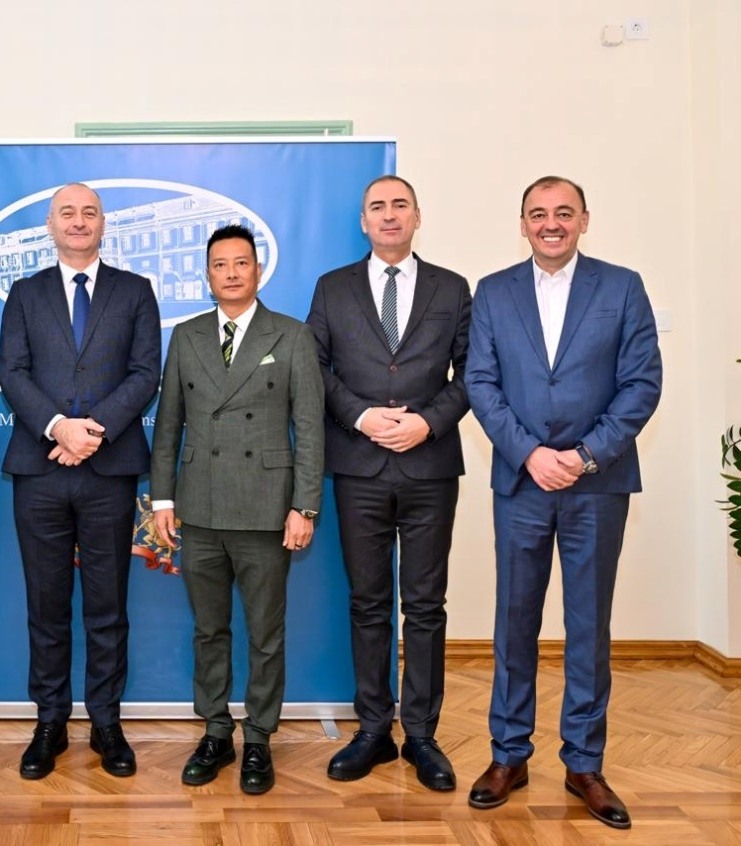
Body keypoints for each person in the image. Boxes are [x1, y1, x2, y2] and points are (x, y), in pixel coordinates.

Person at [465, 176, 662, 829]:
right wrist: (530, 454)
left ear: (584, 220)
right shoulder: (493, 292)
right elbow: (481, 383)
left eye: (563, 213)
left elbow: (642, 383)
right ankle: (509, 755)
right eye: (538, 213)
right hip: (522, 483)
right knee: (514, 621)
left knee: (588, 626)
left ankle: (584, 764)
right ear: (522, 223)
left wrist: (584, 455)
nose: (551, 223)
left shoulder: (622, 287)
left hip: (596, 484)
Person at [306, 176, 471, 791]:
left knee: (425, 605)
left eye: (400, 205)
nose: (389, 214)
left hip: (430, 466)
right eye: (378, 206)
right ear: (364, 220)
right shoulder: (333, 287)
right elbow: (313, 365)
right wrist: (359, 416)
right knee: (368, 602)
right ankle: (373, 729)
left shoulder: (452, 288)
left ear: (417, 216)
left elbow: (474, 371)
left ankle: (422, 735)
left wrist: (428, 422)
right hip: (359, 466)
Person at [151, 223, 324, 794]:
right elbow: (168, 424)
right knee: (209, 629)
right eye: (220, 264)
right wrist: (163, 498)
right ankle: (216, 731)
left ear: (258, 271)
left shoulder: (292, 335)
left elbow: (309, 428)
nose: (231, 273)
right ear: (207, 275)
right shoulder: (187, 336)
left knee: (266, 632)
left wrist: (304, 507)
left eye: (241, 263)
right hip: (199, 506)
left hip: (266, 508)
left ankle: (260, 738)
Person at [0, 182, 161, 780]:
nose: (78, 221)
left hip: (108, 469)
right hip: (39, 469)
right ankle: (50, 722)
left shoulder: (135, 291)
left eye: (89, 212)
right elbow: (12, 372)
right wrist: (59, 428)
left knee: (107, 605)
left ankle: (106, 723)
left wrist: (93, 430)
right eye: (67, 212)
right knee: (45, 606)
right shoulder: (24, 293)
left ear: (102, 224)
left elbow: (146, 372)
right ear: (50, 224)